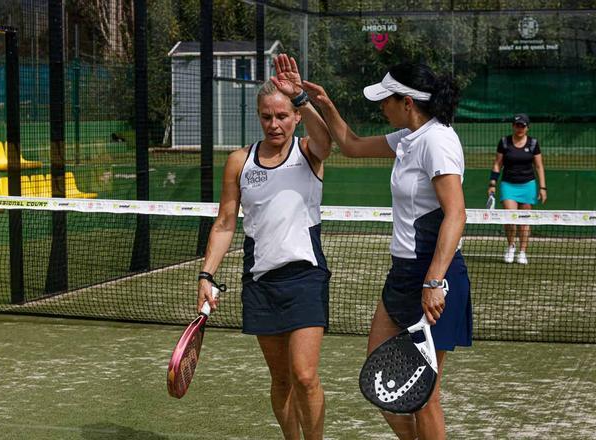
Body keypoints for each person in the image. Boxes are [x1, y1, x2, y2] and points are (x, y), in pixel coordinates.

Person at [300, 63, 472, 440]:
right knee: (380, 378)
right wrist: (323, 104)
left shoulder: (437, 141)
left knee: (425, 394)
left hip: (433, 276)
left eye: (386, 100)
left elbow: (456, 214)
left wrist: (434, 281)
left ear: (407, 102)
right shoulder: (409, 137)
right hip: (403, 274)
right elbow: (353, 146)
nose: (382, 106)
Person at [197, 54, 332, 440]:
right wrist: (207, 275)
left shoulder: (308, 152)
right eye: (267, 117)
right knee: (281, 380)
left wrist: (302, 97)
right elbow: (225, 224)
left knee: (305, 376)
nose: (274, 124)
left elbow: (329, 141)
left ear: (296, 118)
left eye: (282, 116)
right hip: (260, 282)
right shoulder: (239, 161)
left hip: (306, 276)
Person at [488, 113, 546, 265]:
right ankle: (511, 246)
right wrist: (492, 183)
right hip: (508, 185)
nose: (519, 128)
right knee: (509, 217)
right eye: (517, 125)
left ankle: (522, 252)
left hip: (528, 185)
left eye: (522, 125)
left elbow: (539, 166)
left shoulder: (533, 143)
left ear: (527, 127)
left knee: (524, 221)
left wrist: (542, 187)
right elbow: (497, 164)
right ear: (513, 126)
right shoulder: (504, 142)